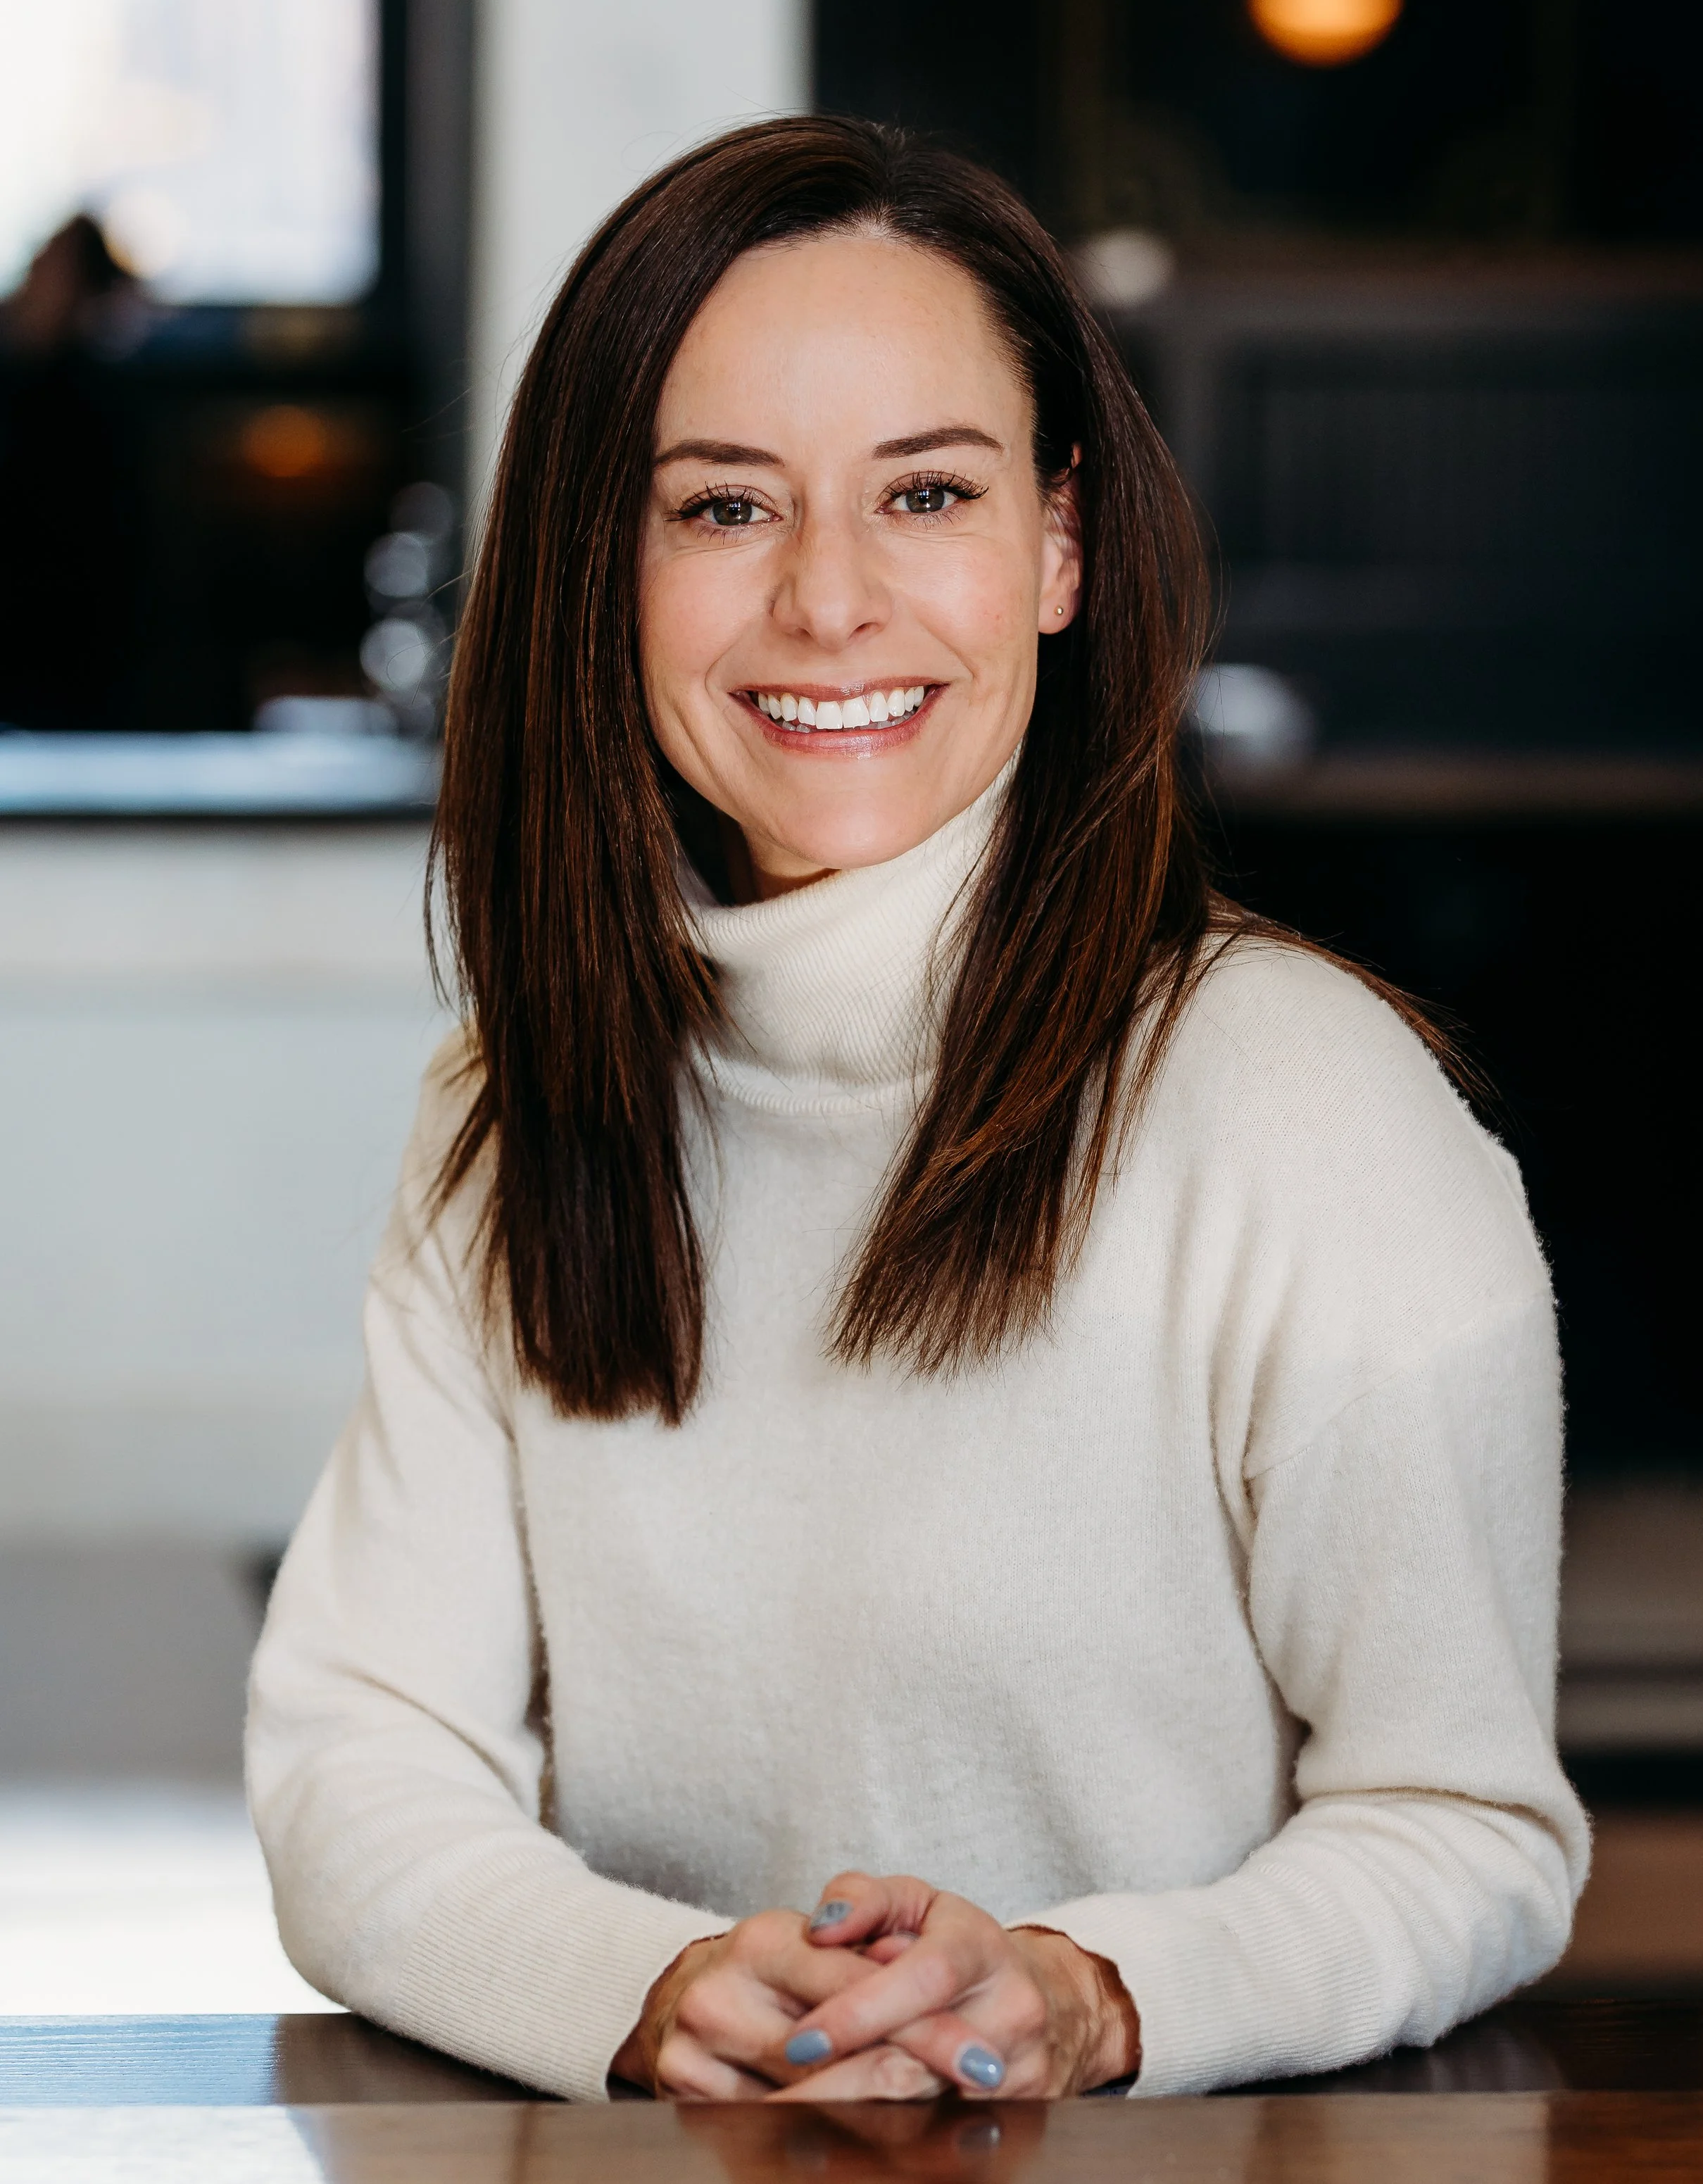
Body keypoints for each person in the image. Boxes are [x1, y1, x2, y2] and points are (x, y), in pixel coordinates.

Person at [246, 118, 1588, 2104]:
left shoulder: (1307, 1114)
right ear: (597, 568)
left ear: (1056, 546)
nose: (827, 602)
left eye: (926, 493)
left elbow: (1467, 1832)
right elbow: (362, 1763)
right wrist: (655, 1984)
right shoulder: (515, 1116)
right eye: (721, 508)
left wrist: (1082, 1993)